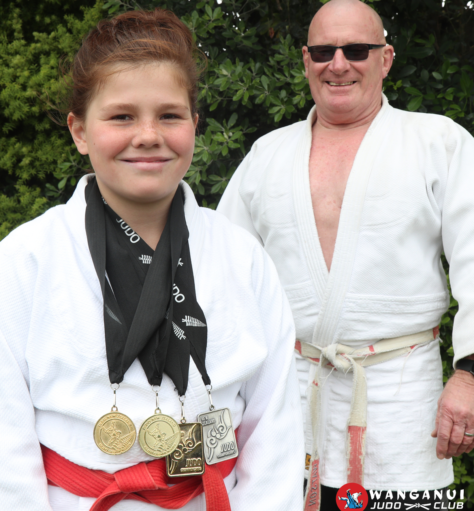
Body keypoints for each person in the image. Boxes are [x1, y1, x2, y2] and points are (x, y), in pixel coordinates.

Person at [0, 9, 304, 511]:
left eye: (169, 115)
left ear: (194, 125)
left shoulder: (240, 254)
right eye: (121, 116)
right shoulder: (26, 259)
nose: (147, 135)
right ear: (79, 132)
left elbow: (274, 421)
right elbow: (6, 433)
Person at [217, 0, 474, 509]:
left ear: (386, 58)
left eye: (356, 49)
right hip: (287, 394)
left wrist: (469, 373)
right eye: (322, 51)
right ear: (305, 59)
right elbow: (221, 274)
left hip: (401, 399)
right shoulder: (267, 154)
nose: (338, 63)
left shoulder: (438, 142)